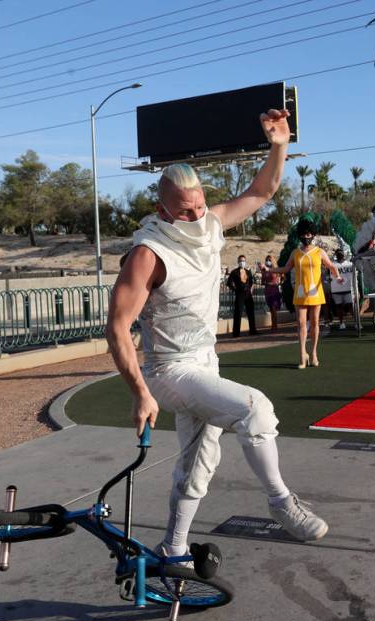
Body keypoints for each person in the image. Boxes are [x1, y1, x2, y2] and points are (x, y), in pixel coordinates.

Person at [105, 109, 328, 564]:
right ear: (161, 209)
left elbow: (261, 191)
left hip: (205, 361)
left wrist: (279, 145)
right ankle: (282, 502)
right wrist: (141, 392)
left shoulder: (209, 225)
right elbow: (117, 328)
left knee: (197, 464)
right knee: (255, 409)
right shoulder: (148, 254)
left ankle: (174, 546)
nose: (194, 215)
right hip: (170, 370)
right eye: (183, 210)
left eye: (199, 205)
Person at [275, 219, 342, 368]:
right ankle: (302, 355)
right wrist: (270, 270)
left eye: (309, 234)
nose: (307, 236)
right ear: (300, 235)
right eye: (304, 234)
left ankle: (313, 353)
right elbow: (285, 269)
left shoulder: (320, 251)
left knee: (315, 323)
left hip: (315, 292)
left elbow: (331, 266)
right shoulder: (295, 253)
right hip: (300, 292)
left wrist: (337, 277)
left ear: (313, 234)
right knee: (300, 323)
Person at [226, 254, 257, 336]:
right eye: (240, 261)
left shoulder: (248, 272)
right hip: (239, 294)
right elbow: (229, 283)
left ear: (245, 262)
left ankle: (253, 331)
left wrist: (250, 288)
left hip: (248, 294)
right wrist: (235, 289)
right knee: (238, 313)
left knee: (251, 312)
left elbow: (251, 281)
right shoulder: (234, 272)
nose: (242, 262)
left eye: (243, 261)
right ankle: (236, 333)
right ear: (238, 262)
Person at [328, 248, 355, 329]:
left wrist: (356, 289)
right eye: (338, 253)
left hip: (349, 289)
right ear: (336, 255)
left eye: (341, 252)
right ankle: (341, 323)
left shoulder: (350, 264)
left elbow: (354, 277)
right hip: (336, 290)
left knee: (352, 306)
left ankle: (356, 322)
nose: (340, 254)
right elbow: (328, 278)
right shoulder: (332, 265)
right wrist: (330, 289)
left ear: (344, 254)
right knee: (339, 307)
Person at [259, 254, 282, 332]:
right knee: (271, 309)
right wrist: (262, 273)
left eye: (269, 260)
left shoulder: (276, 269)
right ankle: (273, 325)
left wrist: (278, 283)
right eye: (267, 260)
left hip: (274, 291)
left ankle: (274, 326)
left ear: (272, 261)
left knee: (273, 308)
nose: (268, 261)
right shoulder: (265, 270)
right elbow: (262, 282)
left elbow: (283, 277)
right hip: (267, 292)